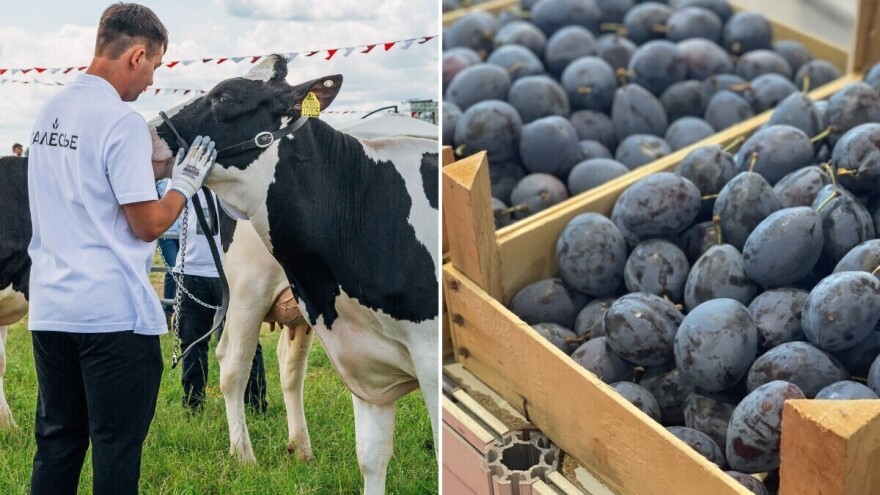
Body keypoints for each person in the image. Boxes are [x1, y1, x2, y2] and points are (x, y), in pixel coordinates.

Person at [26, 4, 216, 494]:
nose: (152, 80)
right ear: (136, 55)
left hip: (51, 311)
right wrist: (184, 183)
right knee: (115, 450)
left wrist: (150, 173)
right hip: (110, 317)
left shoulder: (50, 113)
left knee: (57, 442)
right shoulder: (122, 121)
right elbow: (150, 224)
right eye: (154, 64)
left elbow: (88, 187)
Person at [175, 189, 267, 412]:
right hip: (194, 270)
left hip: (233, 269)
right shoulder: (185, 179)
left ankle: (254, 402)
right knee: (192, 340)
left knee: (245, 339)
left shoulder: (233, 177)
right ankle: (193, 402)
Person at [156, 177, 181, 325]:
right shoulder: (160, 178)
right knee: (173, 269)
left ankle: (180, 310)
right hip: (167, 231)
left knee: (182, 271)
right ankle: (168, 311)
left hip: (185, 232)